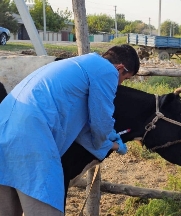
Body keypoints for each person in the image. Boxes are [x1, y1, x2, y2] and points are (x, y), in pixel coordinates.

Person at [0, 44, 140, 215]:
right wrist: (112, 143)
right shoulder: (107, 71)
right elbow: (101, 122)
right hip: (32, 136)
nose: (119, 84)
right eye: (124, 79)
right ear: (120, 69)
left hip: (4, 126)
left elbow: (80, 130)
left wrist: (106, 142)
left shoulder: (80, 63)